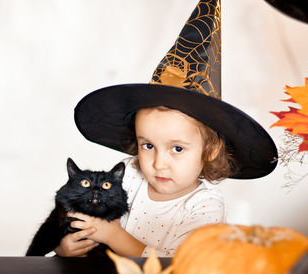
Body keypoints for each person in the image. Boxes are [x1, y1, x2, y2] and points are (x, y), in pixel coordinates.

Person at [55, 0, 278, 257]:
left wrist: (115, 236)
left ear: (211, 150)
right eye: (147, 145)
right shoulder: (129, 174)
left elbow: (177, 265)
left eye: (177, 148)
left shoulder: (204, 208)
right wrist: (69, 247)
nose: (159, 163)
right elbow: (88, 221)